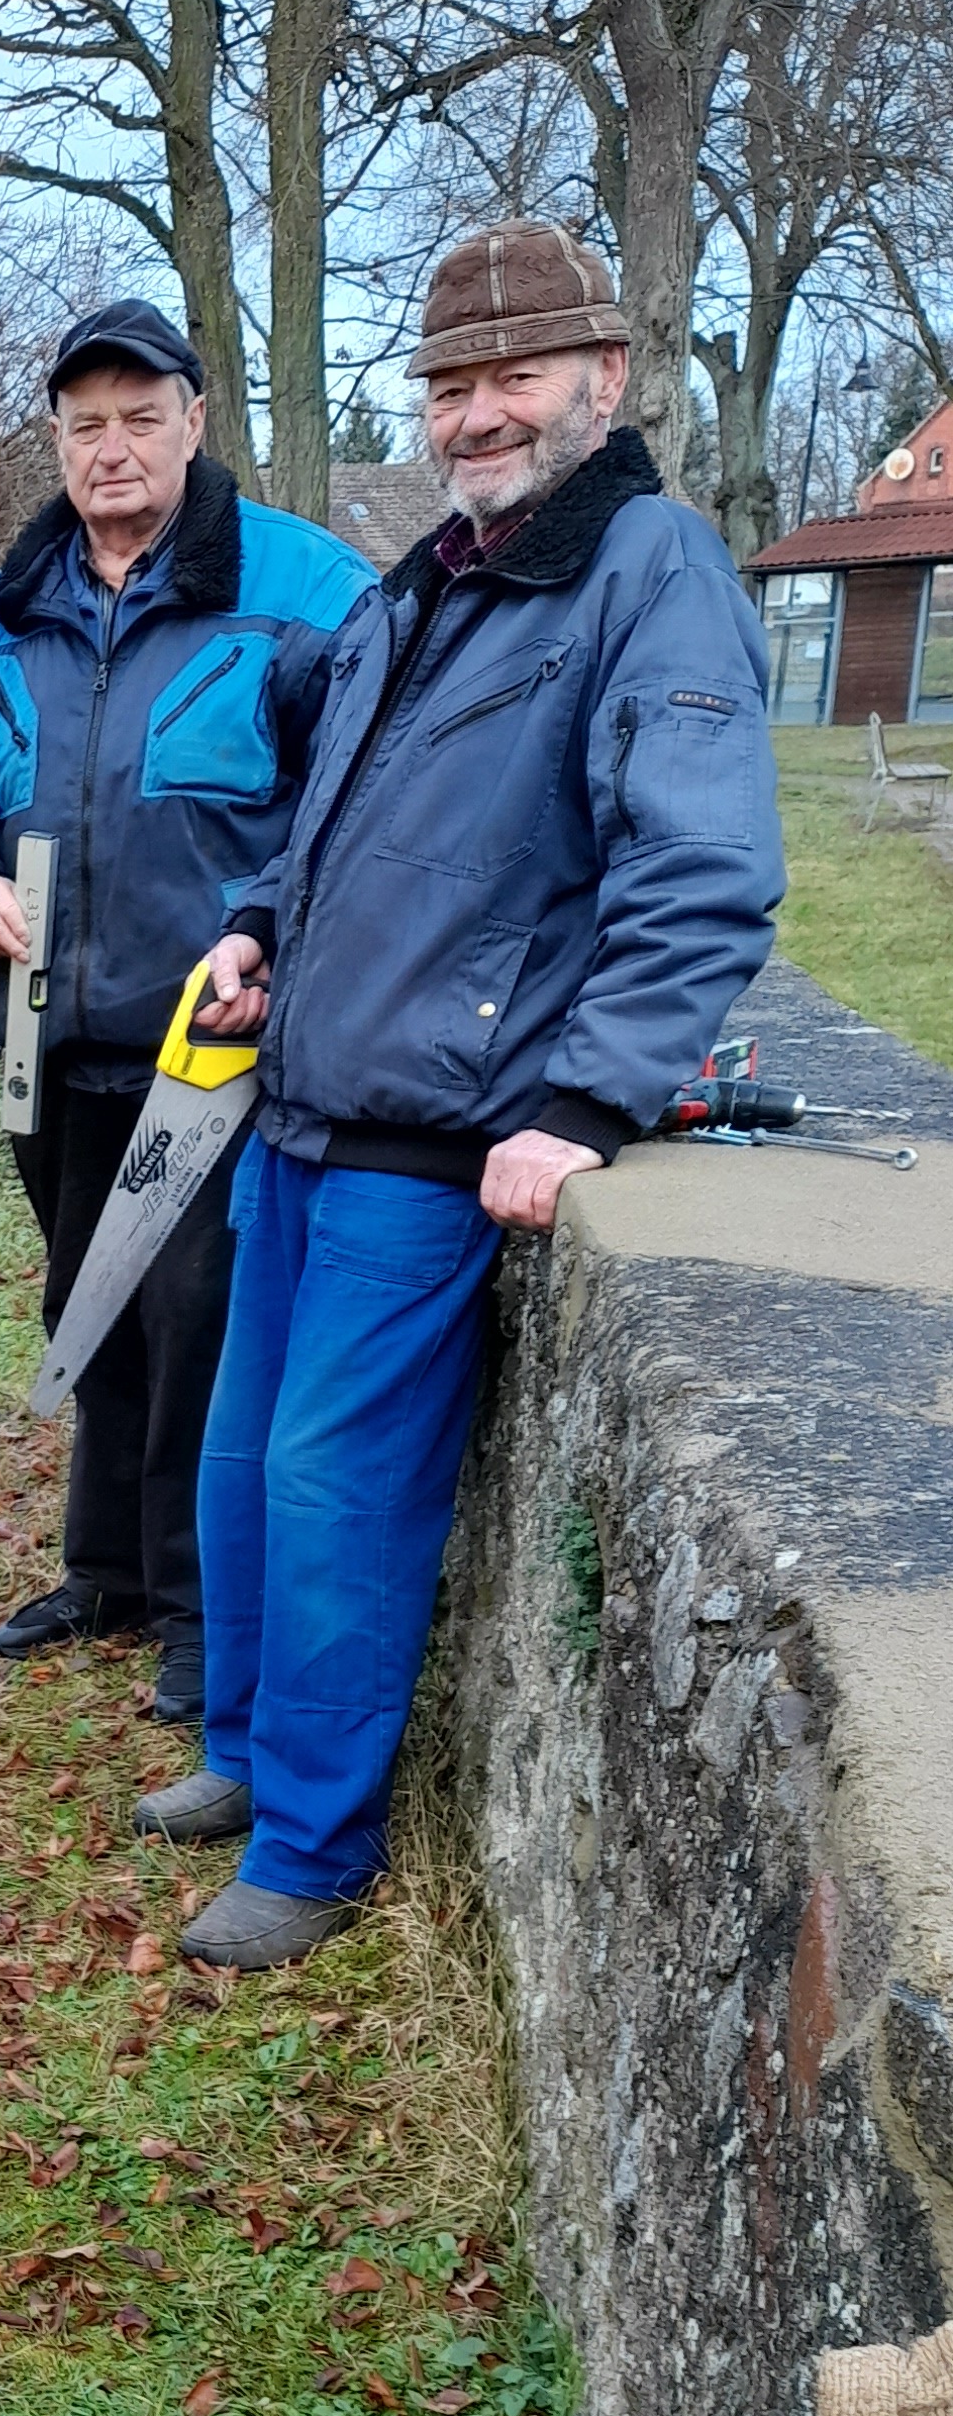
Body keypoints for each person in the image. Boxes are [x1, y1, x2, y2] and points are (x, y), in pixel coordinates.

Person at [139, 220, 787, 1966]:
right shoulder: (432, 575)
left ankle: (313, 1851)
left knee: (336, 1492)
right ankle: (245, 1754)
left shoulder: (650, 571)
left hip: (433, 1140)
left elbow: (705, 870)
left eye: (516, 376)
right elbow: (327, 815)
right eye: (450, 385)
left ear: (606, 378)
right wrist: (261, 924)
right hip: (300, 1108)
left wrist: (586, 1102)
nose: (477, 413)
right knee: (242, 1464)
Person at [0, 299, 374, 1717]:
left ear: (195, 421)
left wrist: (262, 928)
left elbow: (355, 802)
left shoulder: (310, 593)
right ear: (57, 437)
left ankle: (198, 1609)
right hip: (43, 1040)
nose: (112, 449)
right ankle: (102, 1570)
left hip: (211, 1044)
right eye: (85, 424)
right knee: (84, 1301)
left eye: (140, 419)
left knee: (196, 1324)